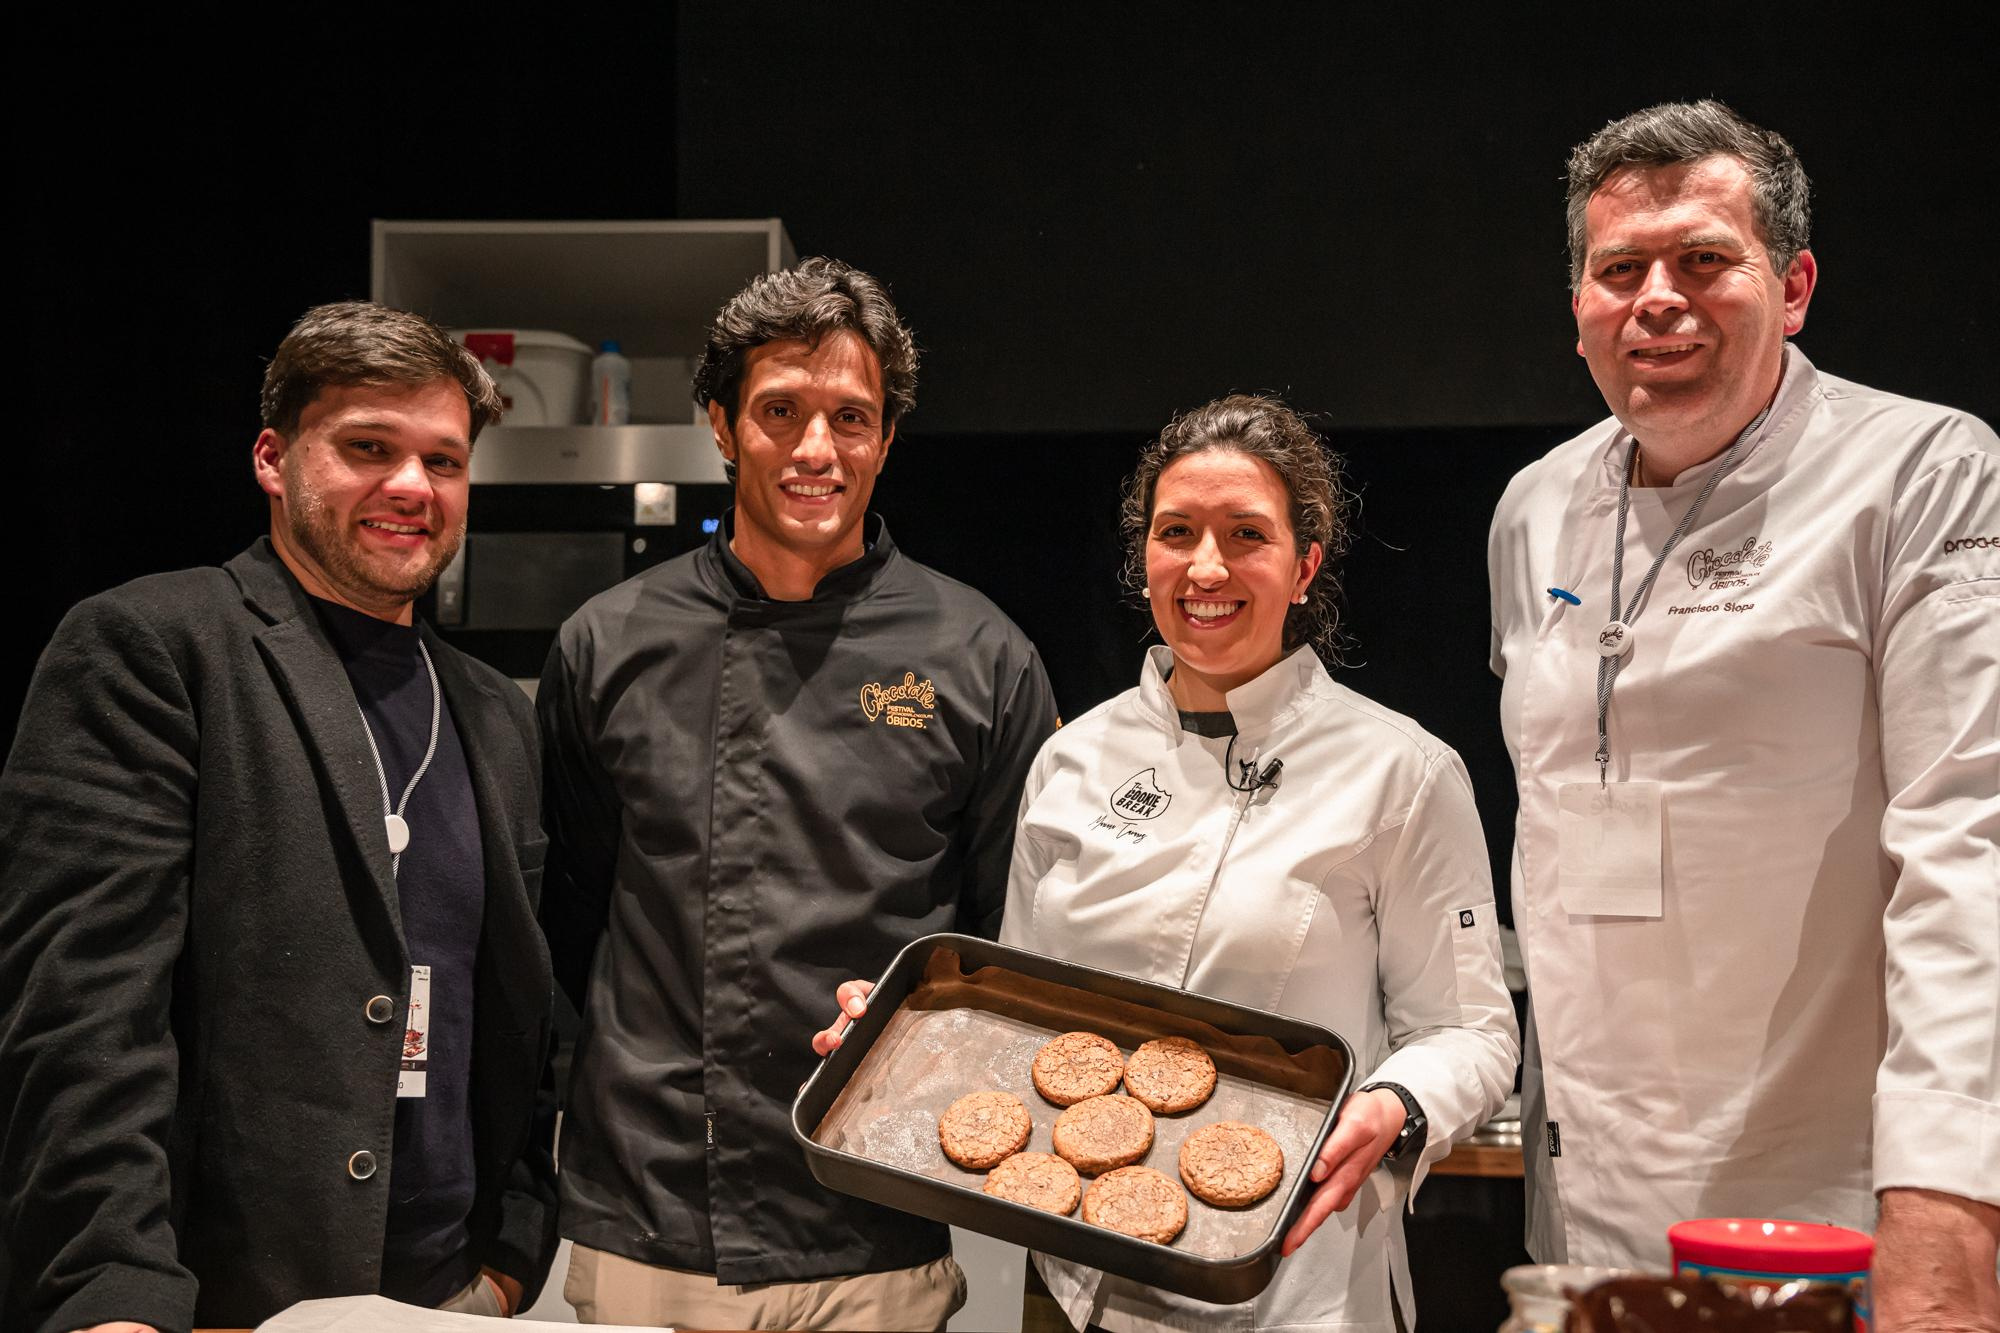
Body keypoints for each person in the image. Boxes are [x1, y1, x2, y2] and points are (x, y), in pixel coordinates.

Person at [820, 395, 1519, 1332]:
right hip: (1067, 1279)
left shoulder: (1403, 772)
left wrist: (1396, 1102)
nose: (1206, 566)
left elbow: (1473, 1032)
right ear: (1142, 556)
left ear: (1305, 566)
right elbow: (1030, 1019)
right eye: (1177, 531)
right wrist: (912, 1045)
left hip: (1295, 1284)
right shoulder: (1073, 759)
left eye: (1247, 535)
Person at [1489, 100, 1999, 1322]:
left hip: (1834, 1191)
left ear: (1795, 285)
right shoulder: (1531, 507)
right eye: (1618, 270)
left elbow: (1966, 840)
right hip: (1589, 1182)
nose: (1654, 297)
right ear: (1577, 310)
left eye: (1703, 259)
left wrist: (1945, 1191)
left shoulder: (1921, 472)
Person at [0, 301, 559, 1333]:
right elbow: (84, 1014)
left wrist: (515, 1249)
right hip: (219, 1304)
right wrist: (108, 1288)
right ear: (272, 457)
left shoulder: (492, 712)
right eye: (368, 448)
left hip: (454, 1297)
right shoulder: (156, 648)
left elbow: (522, 1014)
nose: (410, 486)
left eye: (442, 461)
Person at [538, 257, 1060, 1331]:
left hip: (874, 1215)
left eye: (850, 417)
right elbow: (567, 922)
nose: (816, 450)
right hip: (649, 1215)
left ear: (886, 438)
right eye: (780, 411)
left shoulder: (979, 654)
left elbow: (1013, 946)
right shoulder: (604, 644)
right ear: (722, 427)